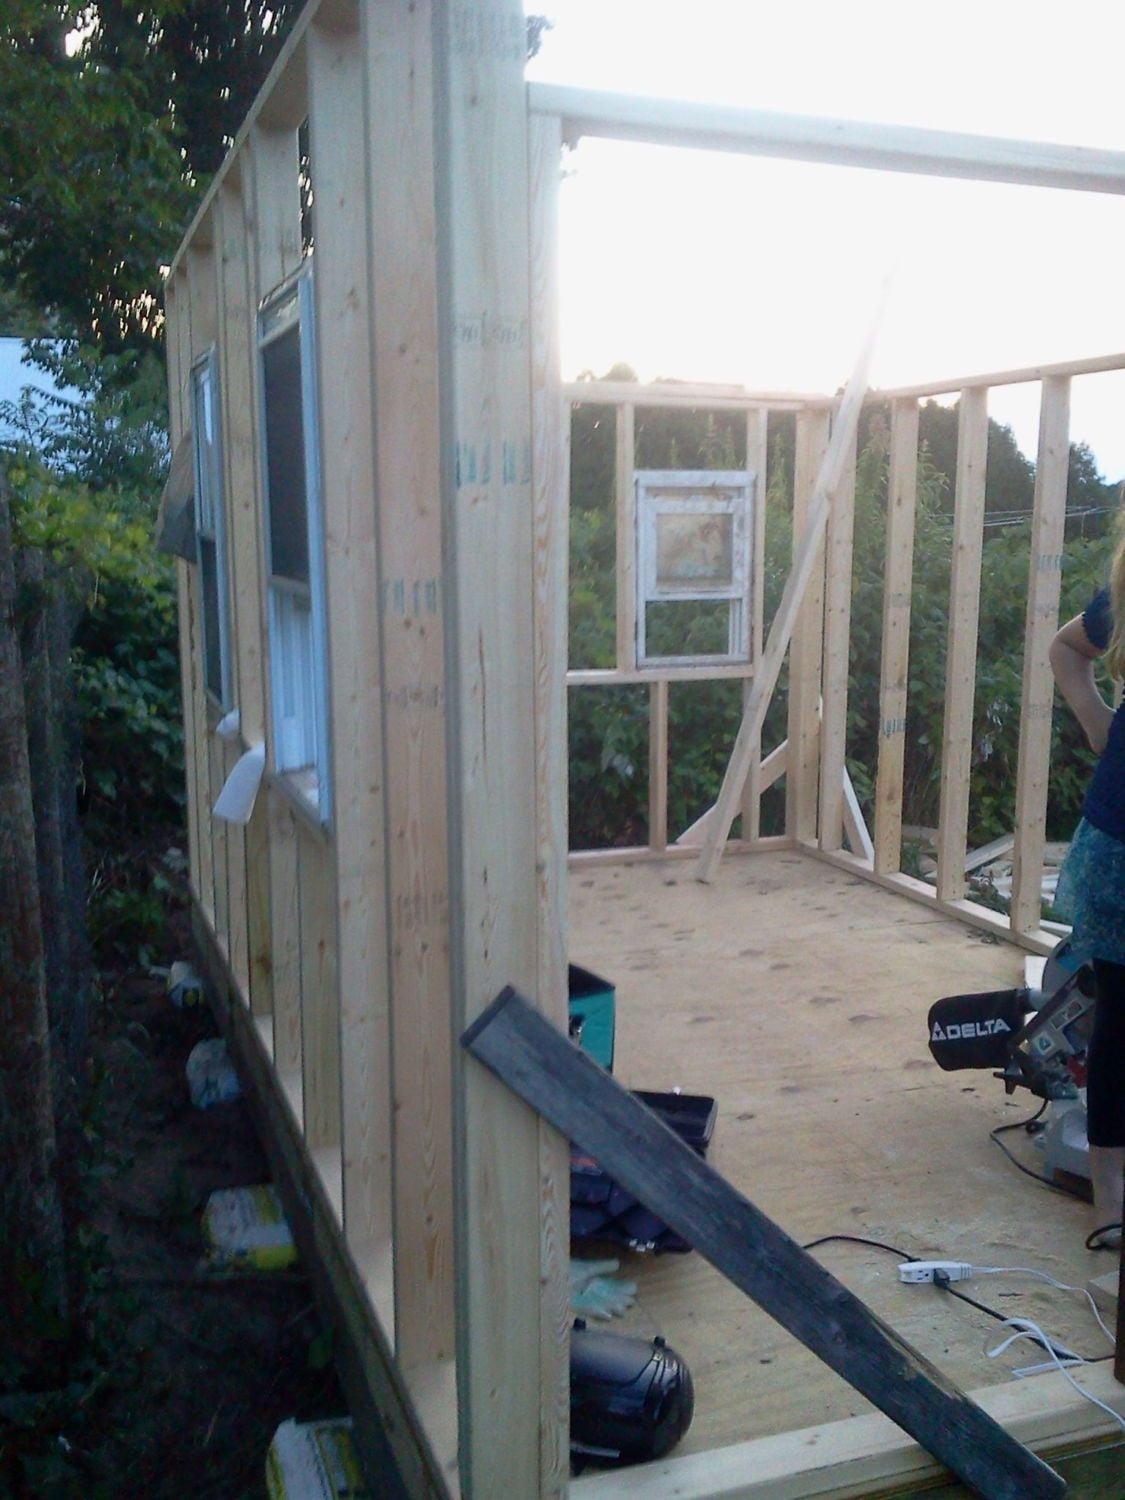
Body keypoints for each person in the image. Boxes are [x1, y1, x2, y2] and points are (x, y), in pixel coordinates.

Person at [1050, 547, 1125, 1243]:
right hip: (1120, 845)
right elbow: (1066, 649)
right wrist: (1098, 721)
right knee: (1122, 1025)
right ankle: (1111, 1207)